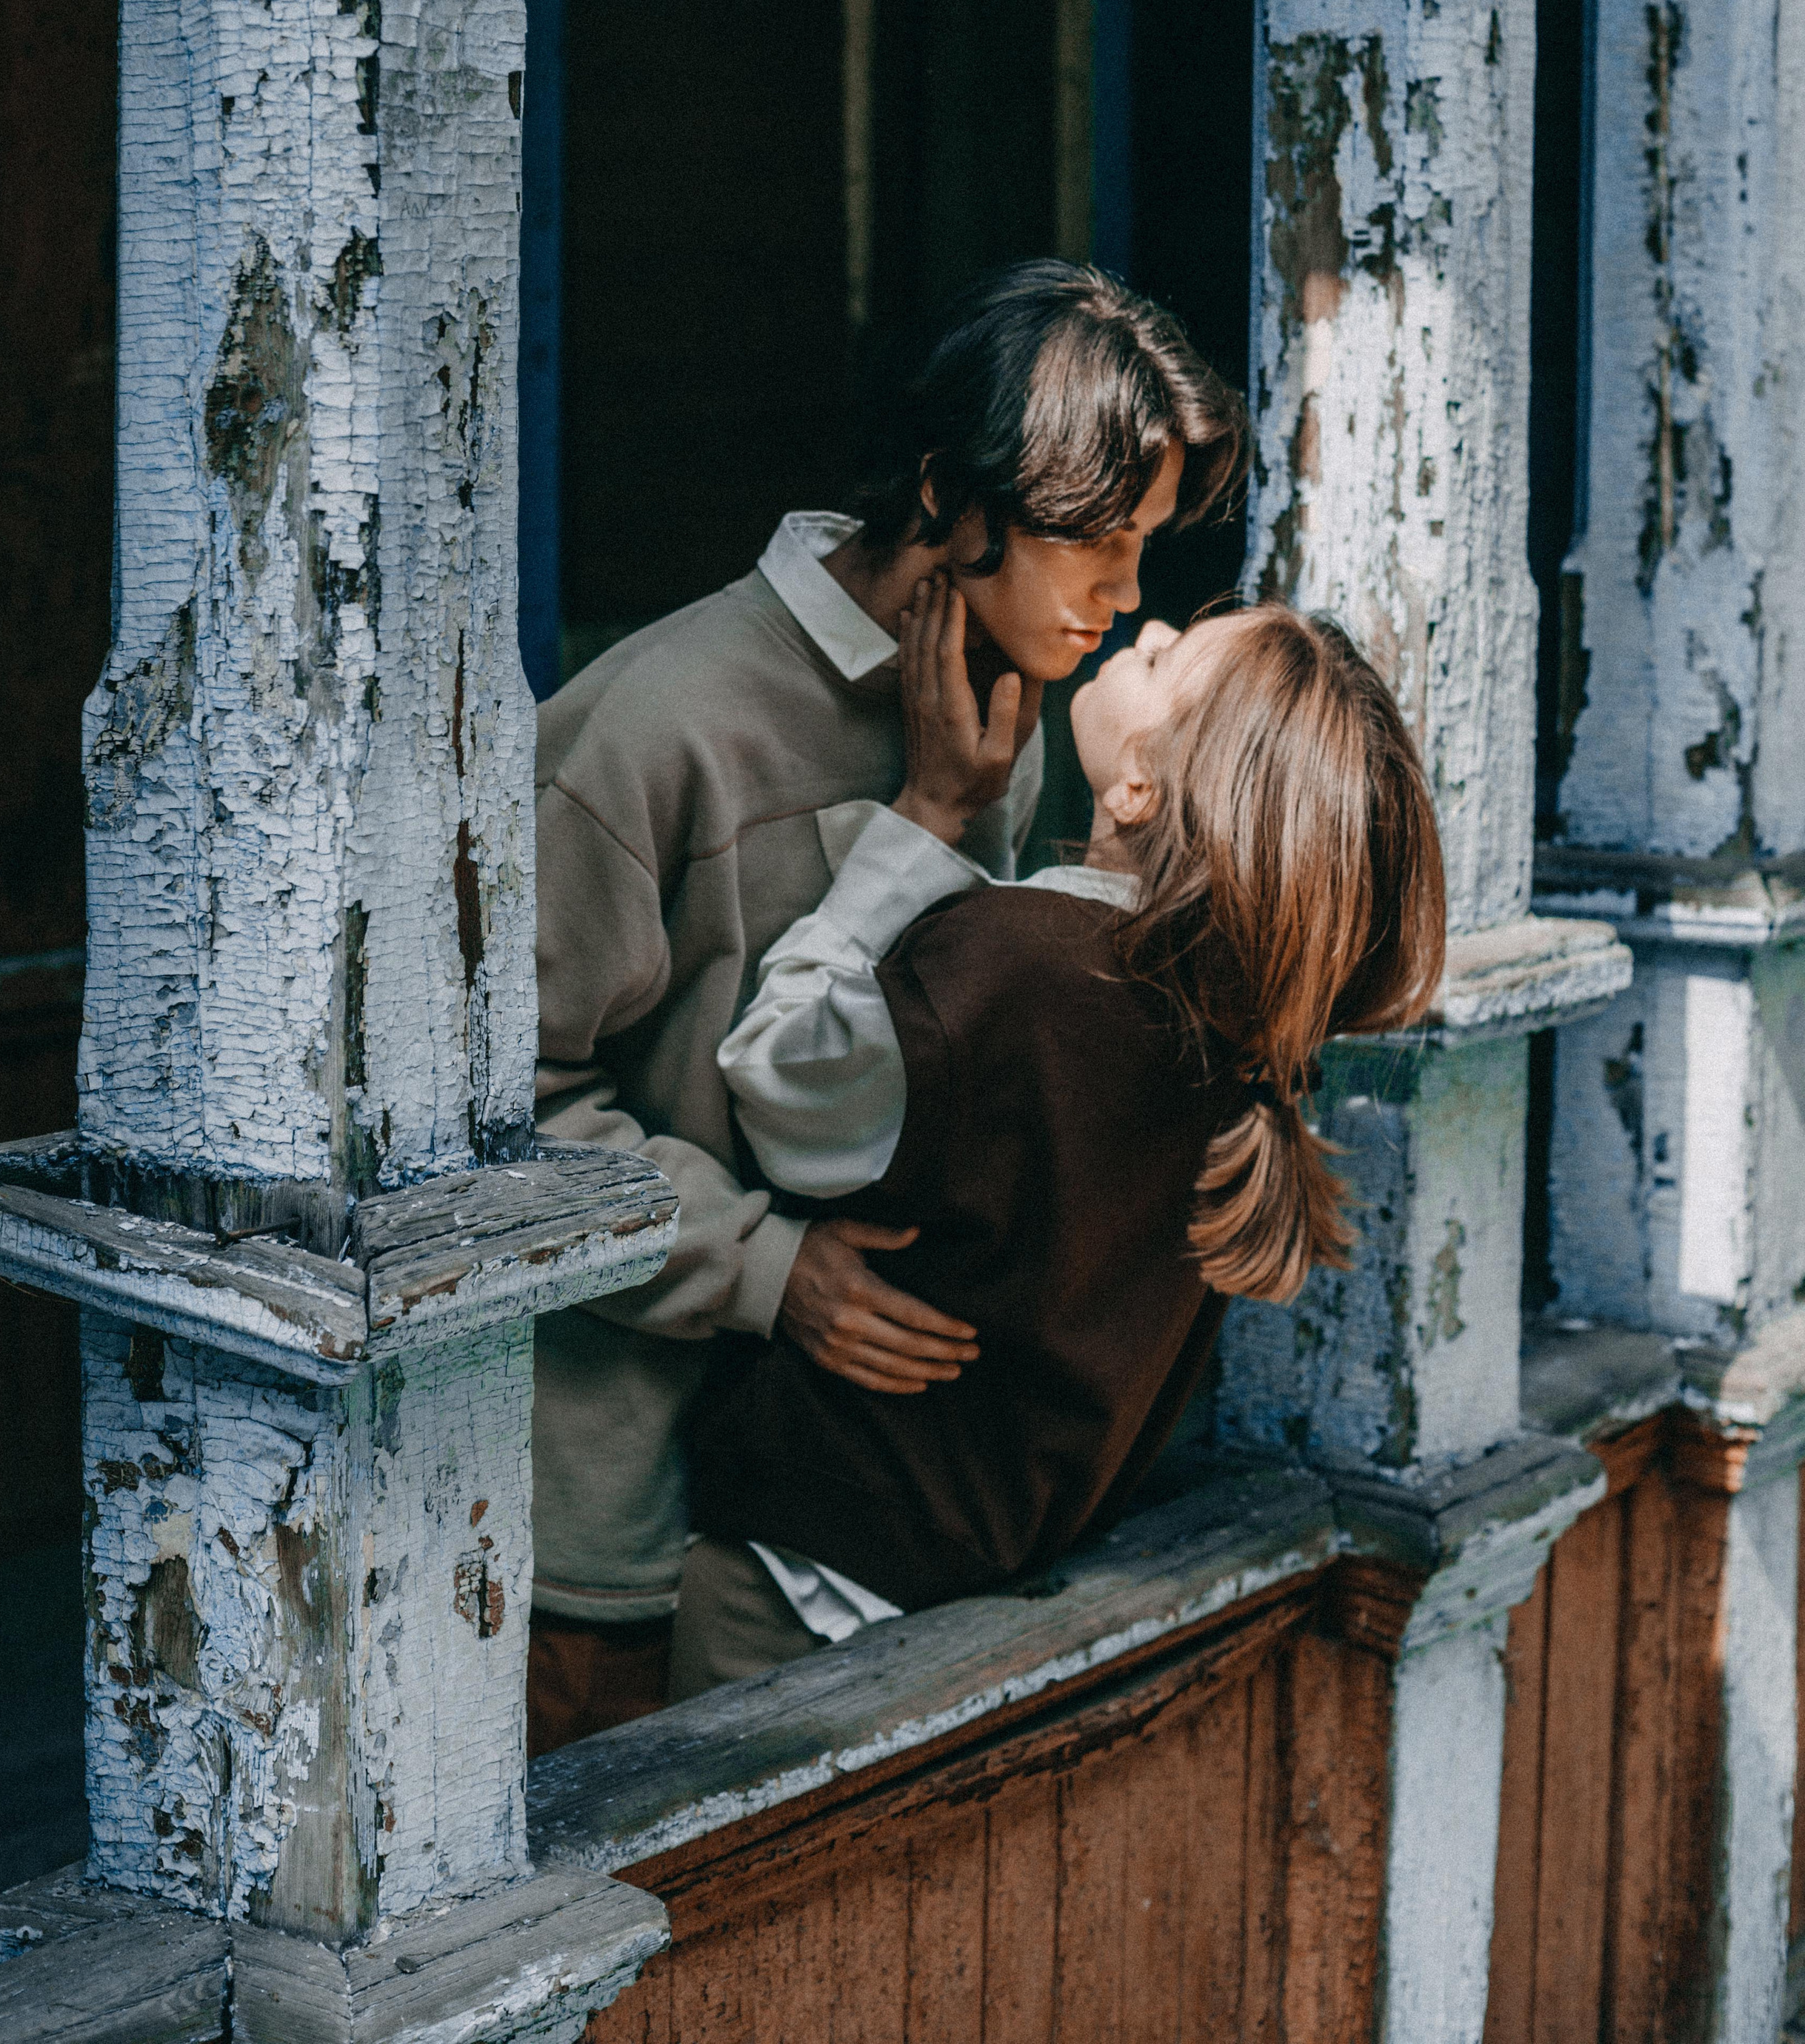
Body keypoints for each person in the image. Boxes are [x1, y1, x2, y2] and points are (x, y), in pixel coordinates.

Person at [527, 261, 1247, 1748]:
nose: (1126, 596)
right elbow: (487, 1118)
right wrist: (762, 1266)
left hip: (848, 1537)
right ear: (946, 494)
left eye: (1149, 546)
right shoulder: (654, 726)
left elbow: (947, 1069)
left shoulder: (1013, 721)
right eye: (1098, 544)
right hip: (607, 1547)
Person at [670, 592, 1445, 1692]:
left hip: (796, 1587)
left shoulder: (1013, 971)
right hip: (977, 1617)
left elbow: (776, 1083)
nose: (1152, 622)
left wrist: (922, 821)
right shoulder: (1229, 1042)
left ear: (1137, 785)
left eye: (1171, 655)